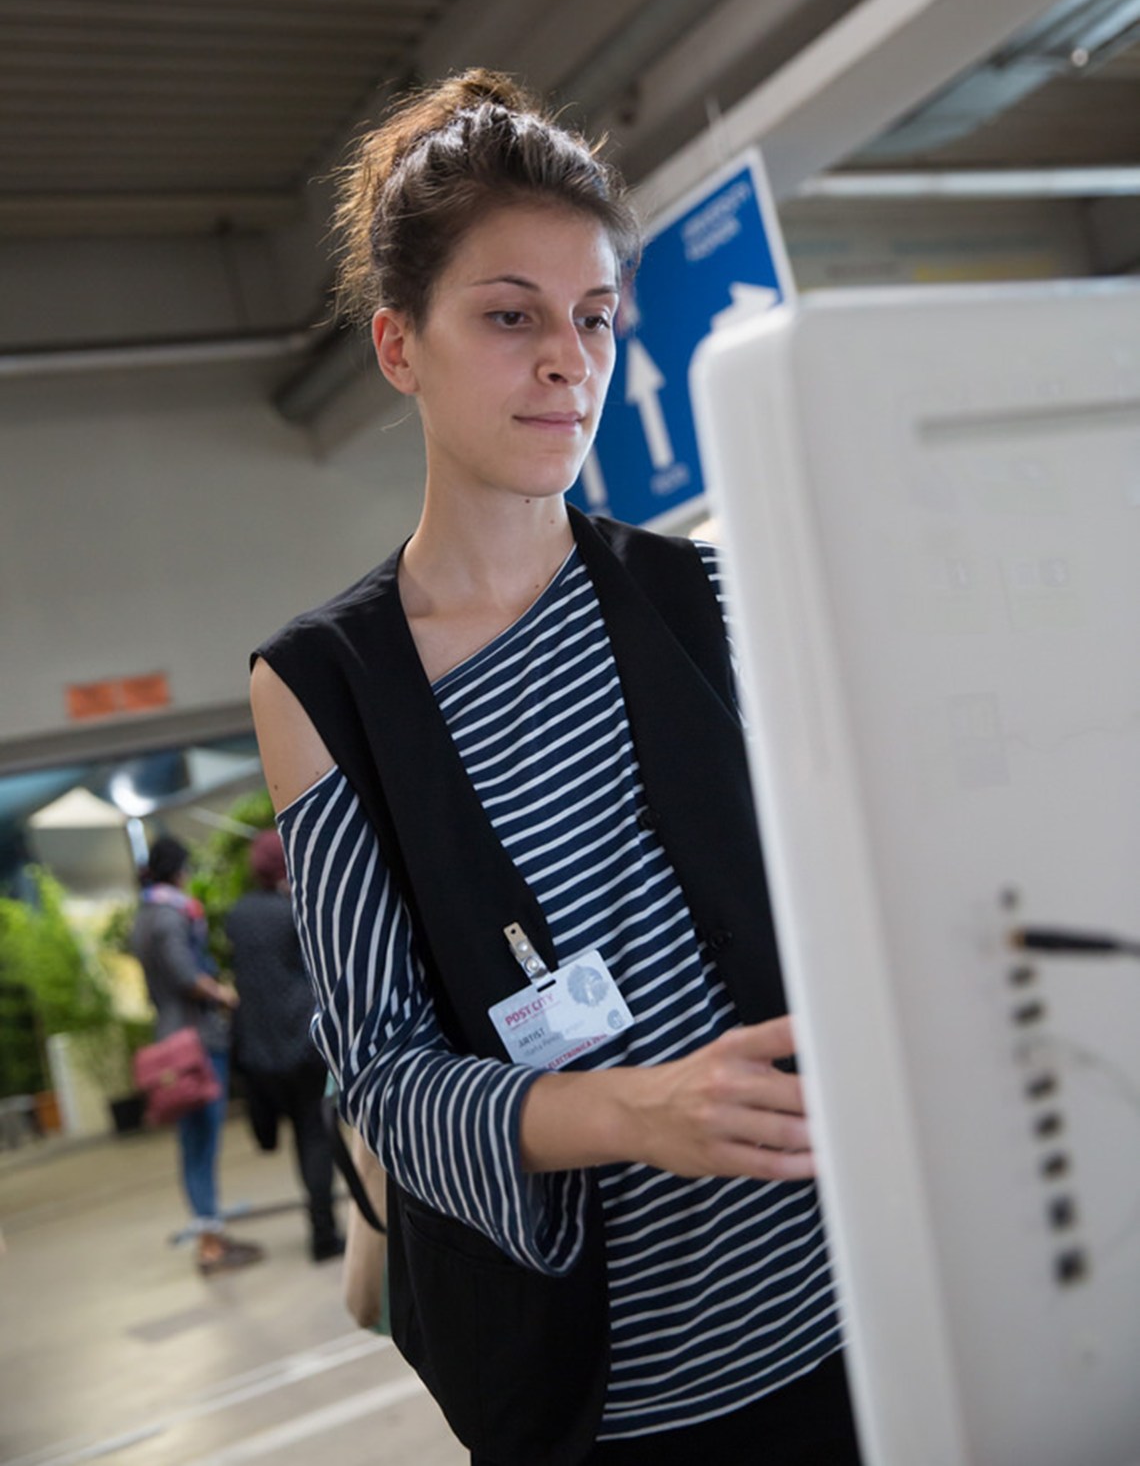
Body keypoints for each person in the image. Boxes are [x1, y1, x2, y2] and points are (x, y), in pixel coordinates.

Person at [250, 70, 861, 1466]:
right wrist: (635, 1109)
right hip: (612, 1391)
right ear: (400, 346)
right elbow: (385, 1079)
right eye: (511, 316)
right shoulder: (329, 687)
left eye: (592, 317)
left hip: (862, 1296)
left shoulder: (703, 594)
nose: (567, 361)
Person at [130, 834, 264, 1276]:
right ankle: (210, 1241)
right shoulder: (171, 916)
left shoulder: (144, 915)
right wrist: (223, 994)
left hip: (170, 1036)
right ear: (178, 871)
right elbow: (185, 974)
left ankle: (211, 1232)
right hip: (195, 1042)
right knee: (203, 1139)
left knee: (193, 1142)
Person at [224, 829, 344, 1262]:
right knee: (316, 1136)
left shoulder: (238, 915)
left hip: (263, 1049)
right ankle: (324, 1235)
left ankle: (320, 1223)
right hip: (303, 1043)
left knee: (301, 1134)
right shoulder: (294, 911)